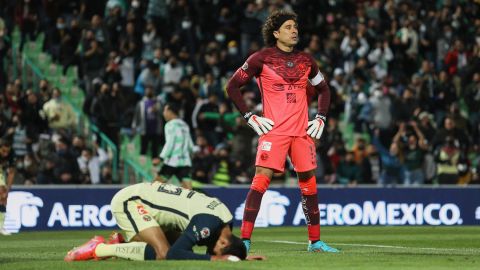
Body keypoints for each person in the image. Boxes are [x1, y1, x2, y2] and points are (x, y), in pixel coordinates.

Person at [225, 10, 338, 253]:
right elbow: (232, 86)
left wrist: (320, 116)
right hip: (274, 132)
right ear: (276, 33)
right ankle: (244, 241)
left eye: (295, 27)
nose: (294, 30)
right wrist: (249, 115)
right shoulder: (260, 59)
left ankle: (315, 242)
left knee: (309, 185)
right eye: (288, 27)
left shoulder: (307, 61)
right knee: (260, 182)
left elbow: (325, 91)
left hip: (301, 133)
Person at [64, 182, 263, 261]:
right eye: (213, 249)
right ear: (223, 242)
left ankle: (124, 244)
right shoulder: (208, 224)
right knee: (164, 254)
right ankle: (100, 248)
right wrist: (217, 259)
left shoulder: (225, 219)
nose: (209, 249)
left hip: (149, 198)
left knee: (184, 252)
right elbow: (174, 254)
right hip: (132, 201)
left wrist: (240, 258)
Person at [152, 103, 194, 190]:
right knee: (189, 192)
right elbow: (190, 145)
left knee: (155, 187)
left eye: (165, 110)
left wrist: (161, 158)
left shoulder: (170, 125)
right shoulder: (184, 125)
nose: (163, 113)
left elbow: (170, 143)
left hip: (172, 162)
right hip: (185, 162)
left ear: (170, 112)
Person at [0, 139, 15, 235]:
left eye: (7, 151)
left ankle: (1, 227)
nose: (5, 154)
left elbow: (11, 173)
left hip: (1, 173)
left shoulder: (11, 154)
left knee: (4, 198)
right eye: (3, 151)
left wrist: (7, 190)